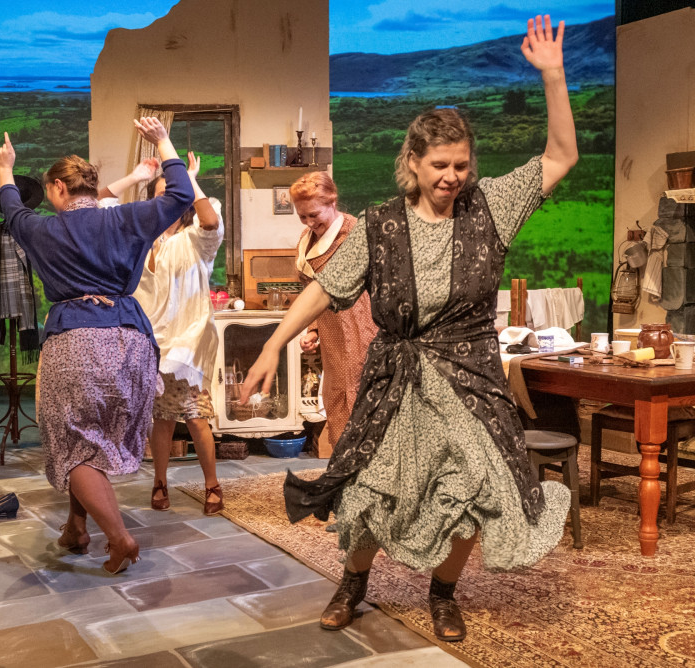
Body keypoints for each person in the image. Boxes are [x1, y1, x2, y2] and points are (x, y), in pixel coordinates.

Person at [240, 15, 578, 641]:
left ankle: (443, 592)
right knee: (373, 489)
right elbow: (325, 288)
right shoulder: (380, 226)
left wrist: (553, 76)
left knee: (473, 488)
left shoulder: (490, 207)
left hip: (470, 377)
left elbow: (561, 156)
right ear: (413, 162)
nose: (452, 177)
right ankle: (354, 581)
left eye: (461, 165)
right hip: (399, 378)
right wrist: (272, 343)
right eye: (440, 165)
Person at [0, 118, 194, 574]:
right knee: (89, 438)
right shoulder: (127, 218)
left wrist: (5, 169)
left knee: (74, 445)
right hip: (132, 342)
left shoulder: (44, 230)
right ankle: (76, 528)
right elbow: (182, 195)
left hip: (77, 343)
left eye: (50, 191)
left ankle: (120, 538)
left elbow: (12, 209)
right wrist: (163, 142)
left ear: (59, 188)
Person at [133, 151, 225, 515]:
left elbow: (211, 220)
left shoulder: (195, 239)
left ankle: (212, 484)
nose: (169, 198)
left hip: (188, 343)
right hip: (153, 342)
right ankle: (159, 482)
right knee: (162, 417)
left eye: (175, 192)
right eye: (162, 193)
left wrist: (190, 180)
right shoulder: (143, 238)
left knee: (196, 416)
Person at [291, 171, 378, 448]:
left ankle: (365, 464)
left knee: (362, 397)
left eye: (314, 214)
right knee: (337, 397)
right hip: (332, 334)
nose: (309, 222)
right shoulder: (307, 239)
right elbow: (313, 292)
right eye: (303, 216)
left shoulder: (355, 234)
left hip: (361, 327)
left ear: (332, 201)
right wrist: (313, 329)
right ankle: (344, 464)